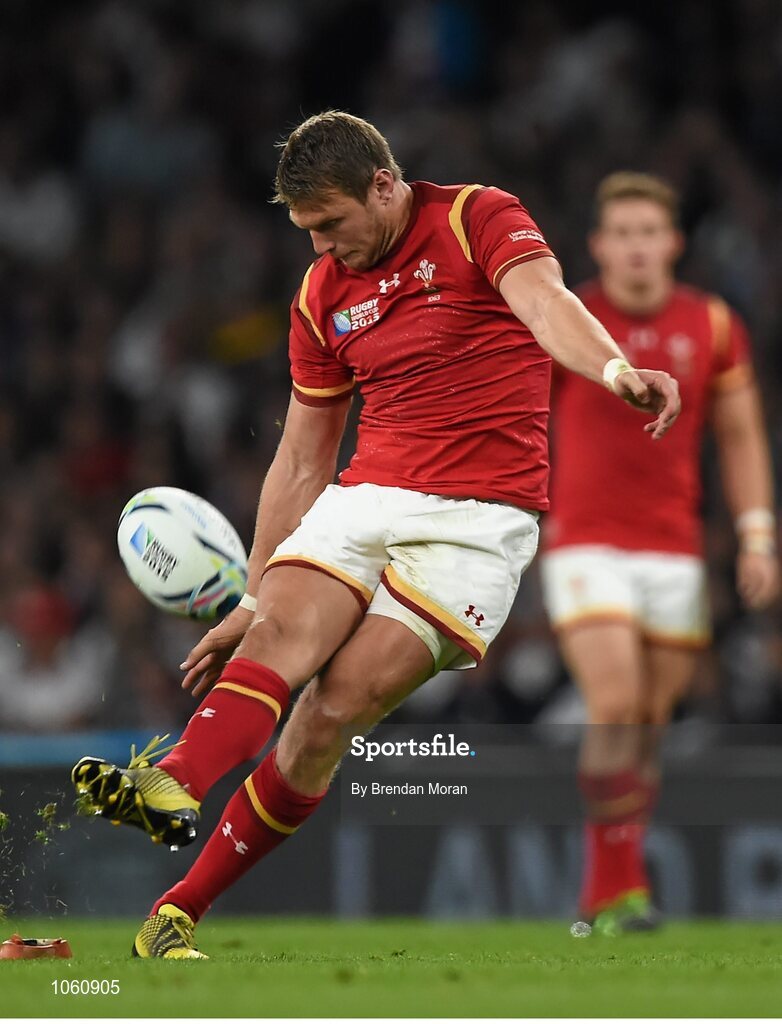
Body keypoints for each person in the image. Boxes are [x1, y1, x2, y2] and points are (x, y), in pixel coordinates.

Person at [72, 113, 679, 959]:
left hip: (477, 524)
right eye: (307, 231)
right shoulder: (323, 295)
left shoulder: (477, 217)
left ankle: (180, 908)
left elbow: (545, 302)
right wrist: (251, 597)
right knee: (280, 630)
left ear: (385, 187)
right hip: (369, 495)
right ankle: (172, 783)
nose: (321, 246)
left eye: (330, 223)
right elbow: (300, 457)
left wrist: (614, 368)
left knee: (329, 711)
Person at [539, 171, 779, 936]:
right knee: (612, 703)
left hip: (674, 549)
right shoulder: (572, 323)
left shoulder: (712, 326)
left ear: (673, 243)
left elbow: (740, 437)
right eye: (624, 234)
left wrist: (757, 534)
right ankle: (618, 889)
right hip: (583, 542)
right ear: (599, 245)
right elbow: (522, 417)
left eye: (651, 232)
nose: (638, 247)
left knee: (645, 719)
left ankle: (607, 901)